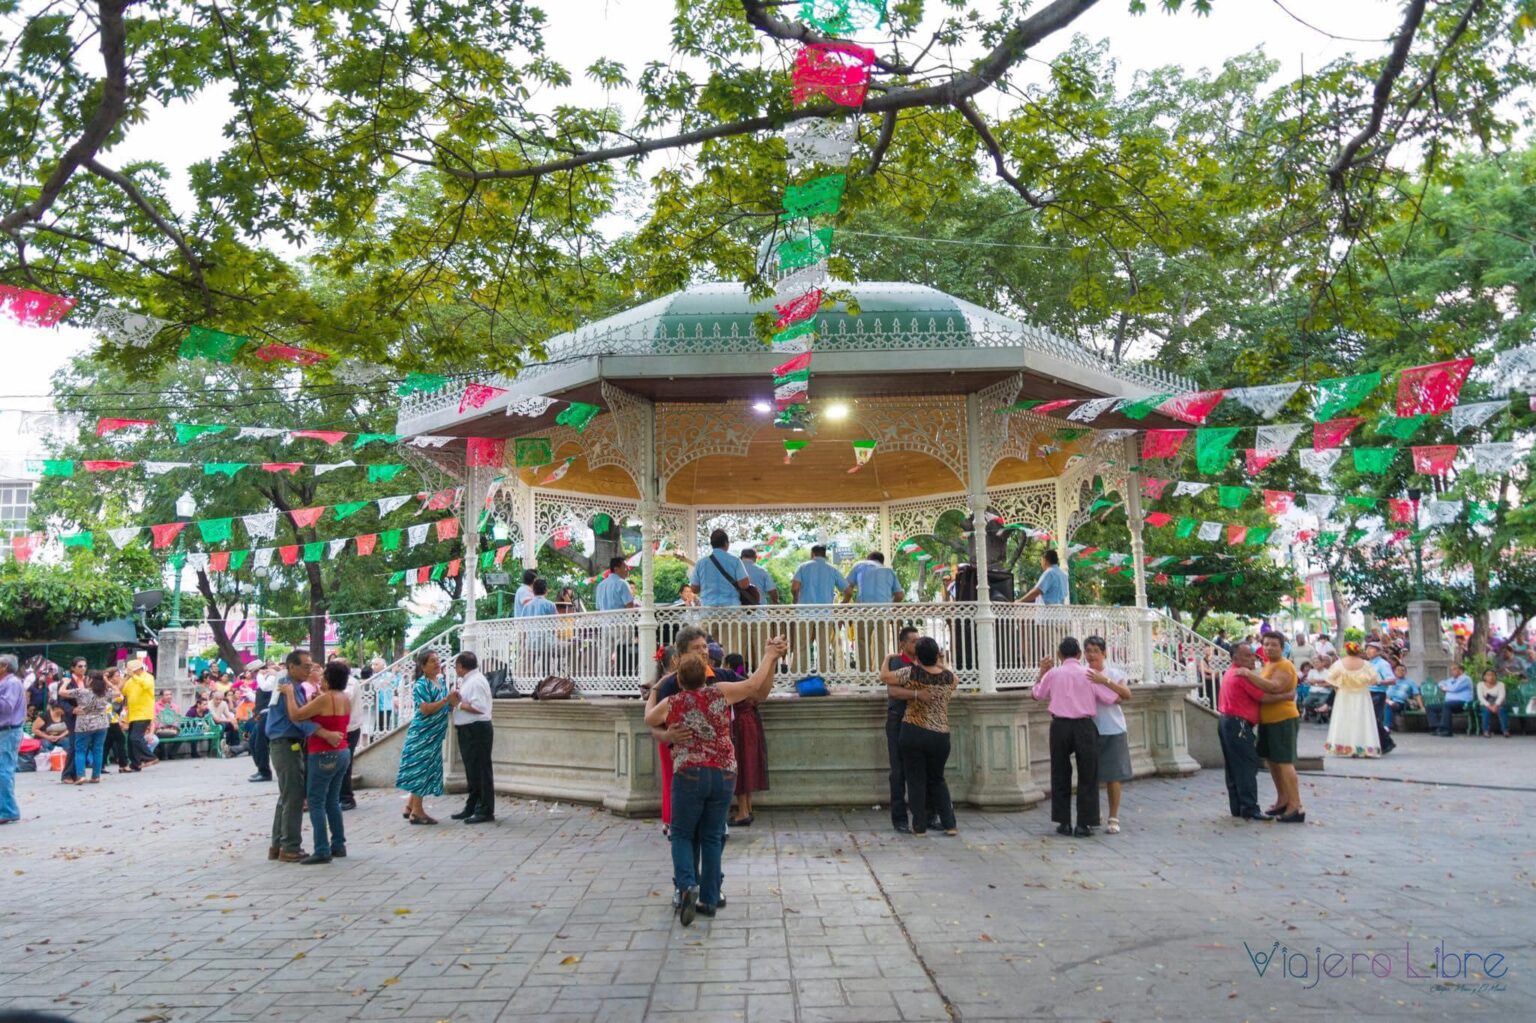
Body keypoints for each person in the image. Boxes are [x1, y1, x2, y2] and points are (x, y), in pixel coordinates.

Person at [644, 635, 787, 925]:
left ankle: (687, 885)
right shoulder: (720, 692)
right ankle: (709, 898)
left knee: (682, 834)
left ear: (680, 679)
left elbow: (649, 719)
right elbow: (752, 685)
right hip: (723, 773)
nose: (704, 652)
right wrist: (770, 656)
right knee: (712, 835)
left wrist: (655, 689)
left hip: (689, 773)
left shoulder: (674, 700)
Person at [1033, 637, 1119, 836]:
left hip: (1060, 726)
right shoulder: (1089, 674)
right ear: (1079, 655)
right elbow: (1111, 698)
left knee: (1060, 773)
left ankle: (1063, 822)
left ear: (1059, 655)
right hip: (1084, 726)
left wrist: (1040, 675)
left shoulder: (1053, 674)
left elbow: (1037, 694)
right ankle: (1084, 824)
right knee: (1088, 774)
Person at [266, 650, 344, 863]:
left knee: (287, 795)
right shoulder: (286, 686)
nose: (310, 670)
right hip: (285, 743)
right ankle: (290, 846)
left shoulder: (296, 687)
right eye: (306, 666)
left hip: (290, 743)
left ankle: (278, 844)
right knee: (293, 796)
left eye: (311, 666)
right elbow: (298, 718)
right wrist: (324, 733)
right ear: (292, 667)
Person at [886, 636, 959, 838]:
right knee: (938, 779)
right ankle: (949, 823)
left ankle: (919, 826)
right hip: (941, 735)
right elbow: (954, 677)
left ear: (916, 656)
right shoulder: (948, 678)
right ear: (937, 654)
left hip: (913, 731)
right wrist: (941, 663)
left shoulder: (912, 673)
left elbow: (885, 677)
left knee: (915, 780)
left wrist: (886, 659)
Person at [281, 660, 352, 864]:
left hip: (323, 753)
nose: (320, 678)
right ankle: (338, 844)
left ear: (329, 678)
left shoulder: (326, 698)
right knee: (332, 800)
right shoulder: (344, 698)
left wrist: (289, 694)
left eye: (323, 675)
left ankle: (321, 849)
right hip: (342, 752)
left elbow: (296, 714)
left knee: (316, 801)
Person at [1216, 643, 1295, 820]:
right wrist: (1287, 696)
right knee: (1246, 765)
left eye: (1252, 655)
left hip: (1228, 722)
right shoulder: (1242, 675)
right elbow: (1264, 696)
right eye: (1246, 656)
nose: (1252, 659)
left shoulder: (1232, 672)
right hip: (1238, 724)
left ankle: (1239, 807)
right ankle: (1250, 808)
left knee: (1234, 766)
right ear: (1235, 659)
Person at [1244, 633, 1304, 823]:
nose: (1269, 648)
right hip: (1268, 721)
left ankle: (1296, 806)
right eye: (1266, 644)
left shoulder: (1285, 665)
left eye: (1274, 645)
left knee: (1285, 762)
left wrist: (1248, 675)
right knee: (1273, 762)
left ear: (1282, 646)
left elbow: (1275, 687)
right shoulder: (1268, 665)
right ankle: (1283, 800)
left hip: (1283, 719)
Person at [1082, 636, 1134, 834]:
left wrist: (1105, 681)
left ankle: (1113, 817)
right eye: (1088, 651)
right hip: (1089, 730)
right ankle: (1093, 814)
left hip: (1113, 729)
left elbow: (1126, 695)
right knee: (1090, 776)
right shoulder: (1083, 674)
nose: (1092, 655)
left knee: (1113, 776)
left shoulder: (1114, 673)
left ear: (1104, 653)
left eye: (1095, 650)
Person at [395, 649, 452, 825]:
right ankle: (417, 812)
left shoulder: (440, 681)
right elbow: (425, 709)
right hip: (423, 734)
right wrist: (445, 701)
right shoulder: (421, 685)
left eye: (438, 660)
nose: (437, 663)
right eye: (432, 661)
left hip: (435, 735)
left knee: (425, 768)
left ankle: (410, 806)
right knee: (421, 769)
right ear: (423, 666)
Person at [879, 626, 922, 833]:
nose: (917, 644)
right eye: (913, 641)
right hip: (898, 719)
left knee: (920, 769)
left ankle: (924, 815)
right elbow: (893, 691)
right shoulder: (896, 662)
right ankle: (899, 818)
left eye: (918, 640)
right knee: (898, 771)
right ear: (903, 644)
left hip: (918, 720)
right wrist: (917, 693)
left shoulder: (924, 661)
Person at [449, 651, 496, 824]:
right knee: (472, 770)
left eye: (456, 666)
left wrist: (459, 704)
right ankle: (473, 805)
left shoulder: (475, 681)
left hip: (476, 729)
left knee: (480, 770)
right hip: (469, 729)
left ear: (461, 666)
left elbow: (479, 707)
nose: (456, 670)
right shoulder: (470, 680)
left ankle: (485, 810)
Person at [792, 545, 850, 672]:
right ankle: (824, 676)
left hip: (804, 614)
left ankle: (797, 676)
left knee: (801, 646)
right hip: (825, 614)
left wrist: (795, 600)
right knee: (823, 647)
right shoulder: (832, 569)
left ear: (812, 553)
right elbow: (848, 590)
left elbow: (795, 588)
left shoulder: (803, 567)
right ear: (825, 554)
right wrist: (841, 605)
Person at [1323, 642, 1384, 757]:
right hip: (1362, 696)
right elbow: (1375, 679)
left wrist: (1338, 686)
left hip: (1344, 695)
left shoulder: (1339, 664)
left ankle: (1344, 746)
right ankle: (1364, 747)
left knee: (1344, 719)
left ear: (1346, 651)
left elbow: (1330, 678)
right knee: (1362, 719)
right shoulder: (1366, 664)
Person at [729, 667, 769, 828]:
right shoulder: (747, 685)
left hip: (740, 728)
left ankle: (743, 812)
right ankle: (748, 808)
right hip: (751, 727)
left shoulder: (734, 686)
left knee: (740, 768)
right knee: (747, 766)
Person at [595, 557, 639, 679]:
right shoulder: (622, 583)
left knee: (605, 652)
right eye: (625, 567)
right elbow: (629, 606)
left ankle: (603, 682)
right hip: (621, 623)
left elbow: (598, 607)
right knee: (624, 652)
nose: (627, 570)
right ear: (616, 568)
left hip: (605, 624)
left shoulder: (600, 585)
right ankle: (623, 680)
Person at [67, 672, 113, 785]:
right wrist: (106, 681)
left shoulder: (83, 692)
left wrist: (65, 682)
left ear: (91, 680)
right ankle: (96, 776)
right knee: (98, 750)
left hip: (84, 724)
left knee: (81, 750)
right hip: (102, 723)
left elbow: (62, 692)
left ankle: (81, 775)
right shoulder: (106, 692)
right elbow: (118, 690)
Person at [0, 654, 24, 824]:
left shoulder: (12, 683)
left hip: (8, 731)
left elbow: (7, 707)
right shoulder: (7, 683)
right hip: (5, 731)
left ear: (5, 666)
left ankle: (9, 810)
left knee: (4, 771)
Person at [121, 659, 156, 772]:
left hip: (143, 713)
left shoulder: (148, 677)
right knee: (131, 741)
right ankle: (135, 764)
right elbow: (123, 691)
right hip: (132, 714)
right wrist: (126, 678)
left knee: (135, 737)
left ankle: (150, 757)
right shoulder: (131, 680)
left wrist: (134, 677)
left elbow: (146, 686)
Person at [1427, 663, 1474, 736]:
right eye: (1451, 670)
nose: (1452, 671)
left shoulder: (1465, 679)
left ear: (1460, 670)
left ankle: (1447, 730)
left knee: (1447, 705)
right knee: (1430, 707)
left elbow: (1455, 688)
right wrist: (1445, 687)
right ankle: (1437, 728)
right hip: (1449, 704)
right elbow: (1440, 683)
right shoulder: (1451, 679)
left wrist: (1446, 688)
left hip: (1463, 704)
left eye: (1454, 669)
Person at [248, 661, 275, 782]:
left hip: (269, 713)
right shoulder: (262, 680)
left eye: (253, 673)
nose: (252, 676)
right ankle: (260, 769)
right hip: (262, 714)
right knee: (253, 741)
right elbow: (260, 697)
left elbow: (266, 687)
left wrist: (259, 675)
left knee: (260, 743)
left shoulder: (271, 678)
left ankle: (265, 772)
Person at [1383, 664, 1422, 732]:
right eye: (1398, 670)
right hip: (1386, 700)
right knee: (1382, 704)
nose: (1400, 671)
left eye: (1403, 670)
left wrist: (1422, 707)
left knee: (1388, 705)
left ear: (1406, 672)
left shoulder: (1410, 682)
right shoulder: (1390, 680)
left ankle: (1387, 727)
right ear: (1394, 671)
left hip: (1400, 703)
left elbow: (1417, 695)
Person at [1477, 669, 1511, 738]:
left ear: (1496, 676)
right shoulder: (1480, 684)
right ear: (1484, 677)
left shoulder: (1501, 684)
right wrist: (1489, 706)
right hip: (1485, 704)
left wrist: (1496, 705)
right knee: (1486, 711)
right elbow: (1481, 698)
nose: (1491, 677)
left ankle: (1505, 730)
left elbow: (1502, 696)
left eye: (1493, 675)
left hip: (1498, 704)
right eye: (1488, 675)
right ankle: (1486, 731)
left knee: (1501, 710)